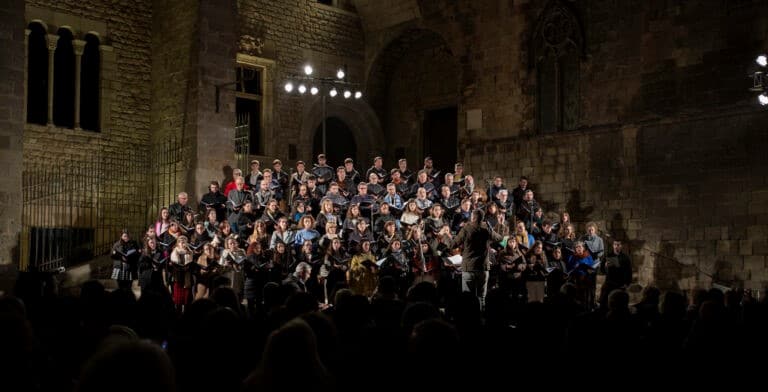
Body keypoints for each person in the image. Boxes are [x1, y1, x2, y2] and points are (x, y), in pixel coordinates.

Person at [448, 209, 503, 308]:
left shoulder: (466, 229)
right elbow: (499, 238)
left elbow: (453, 244)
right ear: (482, 218)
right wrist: (499, 226)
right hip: (483, 268)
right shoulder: (487, 228)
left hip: (469, 267)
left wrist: (447, 237)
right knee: (481, 297)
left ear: (472, 217)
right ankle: (481, 319)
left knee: (467, 298)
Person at [599, 240, 632, 309]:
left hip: (620, 284)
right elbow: (601, 270)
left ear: (621, 246)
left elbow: (629, 272)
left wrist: (627, 283)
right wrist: (605, 266)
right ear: (613, 245)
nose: (617, 246)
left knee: (619, 305)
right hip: (609, 282)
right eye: (615, 244)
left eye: (618, 245)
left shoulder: (625, 258)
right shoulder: (608, 255)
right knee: (604, 303)